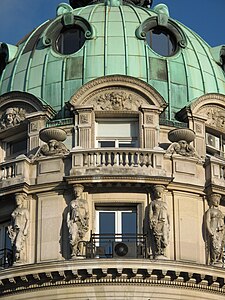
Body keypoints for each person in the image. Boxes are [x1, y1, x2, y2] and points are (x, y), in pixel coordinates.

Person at [67, 185, 89, 258]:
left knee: (81, 237)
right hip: (74, 222)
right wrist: (69, 222)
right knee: (73, 237)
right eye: (75, 191)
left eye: (78, 191)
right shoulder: (72, 202)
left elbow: (87, 213)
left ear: (81, 192)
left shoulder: (84, 202)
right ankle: (74, 252)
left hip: (81, 222)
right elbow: (69, 214)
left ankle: (79, 252)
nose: (77, 193)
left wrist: (86, 222)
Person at [149, 185, 170, 257]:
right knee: (157, 236)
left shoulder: (164, 204)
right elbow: (150, 214)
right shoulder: (153, 203)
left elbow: (168, 215)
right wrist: (151, 221)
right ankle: (158, 250)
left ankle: (163, 250)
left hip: (164, 221)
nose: (159, 194)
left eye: (160, 192)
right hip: (156, 221)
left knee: (164, 237)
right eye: (157, 192)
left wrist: (169, 223)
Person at [8, 193, 29, 263]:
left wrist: (26, 229)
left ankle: (20, 256)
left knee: (18, 244)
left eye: (18, 199)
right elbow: (12, 222)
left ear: (22, 200)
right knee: (14, 244)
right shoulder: (15, 211)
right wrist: (9, 228)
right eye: (16, 199)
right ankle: (17, 257)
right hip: (14, 230)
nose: (17, 201)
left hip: (21, 229)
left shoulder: (25, 210)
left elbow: (28, 220)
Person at [205, 193, 224, 266]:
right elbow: (207, 221)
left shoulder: (220, 212)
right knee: (214, 245)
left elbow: (222, 221)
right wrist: (210, 231)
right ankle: (213, 260)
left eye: (218, 200)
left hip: (220, 231)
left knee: (220, 245)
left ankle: (218, 259)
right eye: (216, 200)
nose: (217, 202)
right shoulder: (210, 211)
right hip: (213, 229)